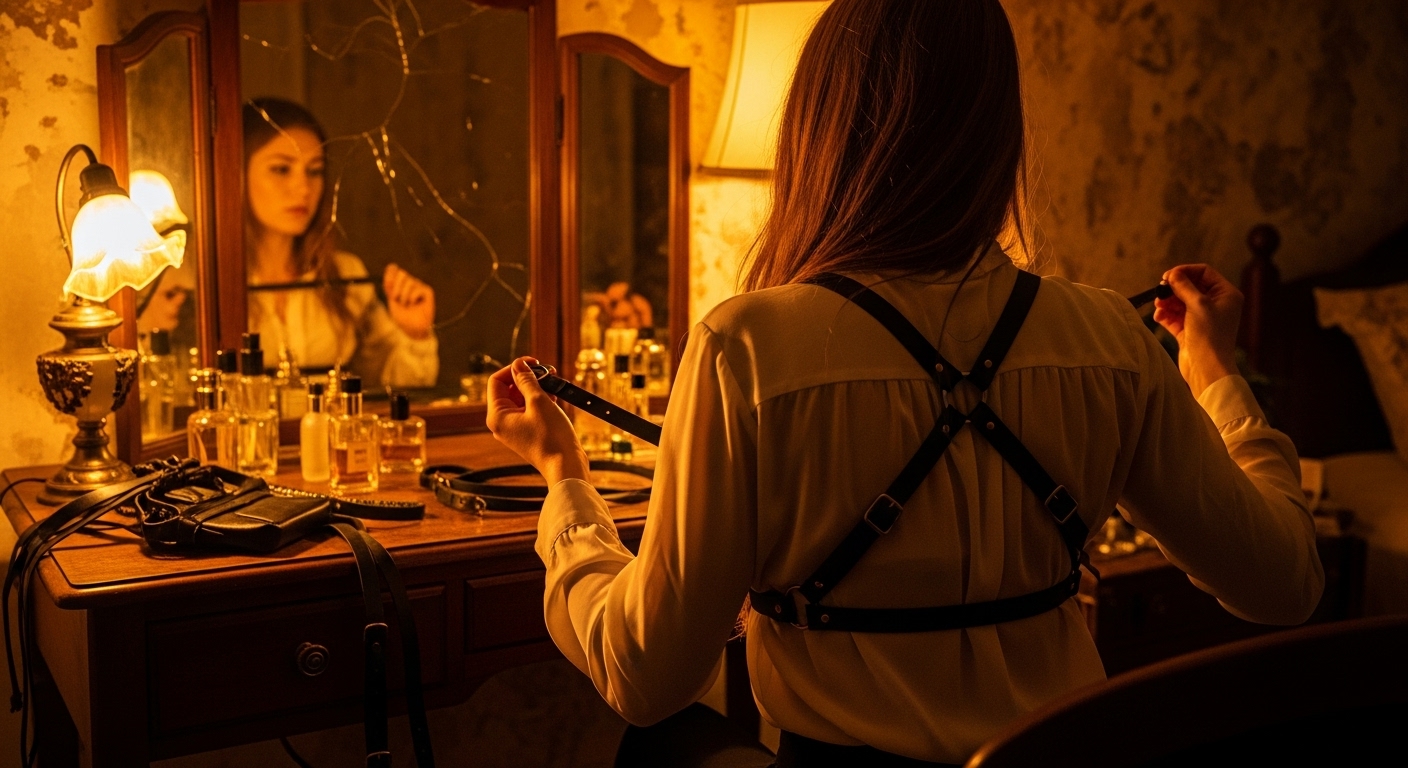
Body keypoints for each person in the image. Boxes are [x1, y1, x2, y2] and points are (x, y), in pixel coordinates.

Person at [485, 1, 1323, 765]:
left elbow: (645, 675)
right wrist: (1213, 369)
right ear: (998, 134)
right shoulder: (1111, 339)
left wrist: (567, 488)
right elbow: (1285, 585)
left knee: (661, 746)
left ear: (820, 131)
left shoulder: (745, 348)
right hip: (1064, 752)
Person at [244, 98, 439, 388]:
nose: (303, 188)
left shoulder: (344, 274)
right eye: (281, 169)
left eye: (314, 171)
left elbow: (389, 384)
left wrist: (414, 334)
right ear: (235, 174)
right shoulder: (209, 287)